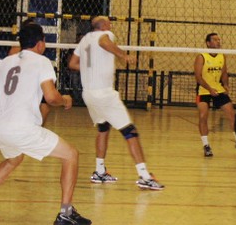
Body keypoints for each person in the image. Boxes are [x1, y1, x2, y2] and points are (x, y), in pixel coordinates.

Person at [0, 23, 91, 225]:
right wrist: (66, 100)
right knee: (71, 155)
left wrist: (0, 118)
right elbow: (51, 97)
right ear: (41, 43)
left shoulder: (6, 61)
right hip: (22, 128)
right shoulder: (42, 62)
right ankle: (66, 213)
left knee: (12, 160)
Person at [68, 16, 164, 190]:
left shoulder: (84, 40)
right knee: (130, 132)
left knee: (103, 128)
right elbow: (105, 42)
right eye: (109, 23)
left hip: (88, 93)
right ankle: (144, 176)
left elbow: (72, 63)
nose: (110, 26)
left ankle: (99, 171)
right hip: (104, 94)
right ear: (104, 26)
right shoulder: (105, 34)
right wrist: (123, 55)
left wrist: (90, 68)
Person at [194, 33, 236, 157]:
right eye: (215, 40)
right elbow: (198, 77)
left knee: (232, 115)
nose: (218, 42)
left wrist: (225, 84)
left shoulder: (222, 56)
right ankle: (206, 145)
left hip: (218, 89)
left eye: (219, 39)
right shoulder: (201, 57)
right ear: (208, 43)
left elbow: (224, 72)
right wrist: (209, 89)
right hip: (203, 90)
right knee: (203, 116)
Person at [9, 18, 51, 121]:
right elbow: (12, 57)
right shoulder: (18, 46)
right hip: (22, 80)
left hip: (36, 79)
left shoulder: (39, 49)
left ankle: (37, 129)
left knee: (45, 107)